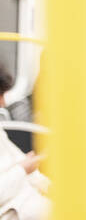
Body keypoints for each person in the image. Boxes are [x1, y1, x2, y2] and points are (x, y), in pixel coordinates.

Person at [0, 64, 50, 220]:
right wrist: (23, 169)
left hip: (23, 193)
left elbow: (19, 159)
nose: (3, 103)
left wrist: (49, 186)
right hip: (12, 206)